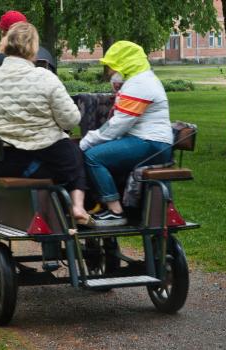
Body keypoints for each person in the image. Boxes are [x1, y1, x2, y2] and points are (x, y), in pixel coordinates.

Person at [0, 22, 91, 225]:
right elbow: (71, 119)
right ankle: (77, 206)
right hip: (36, 163)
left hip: (0, 162)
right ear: (33, 48)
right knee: (75, 155)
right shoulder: (44, 77)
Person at [79, 41, 173, 226]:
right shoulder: (141, 79)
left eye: (114, 65)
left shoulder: (140, 84)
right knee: (102, 155)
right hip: (153, 142)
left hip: (150, 143)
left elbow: (117, 125)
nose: (111, 70)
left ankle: (115, 211)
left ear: (125, 62)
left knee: (92, 157)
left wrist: (88, 141)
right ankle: (113, 206)